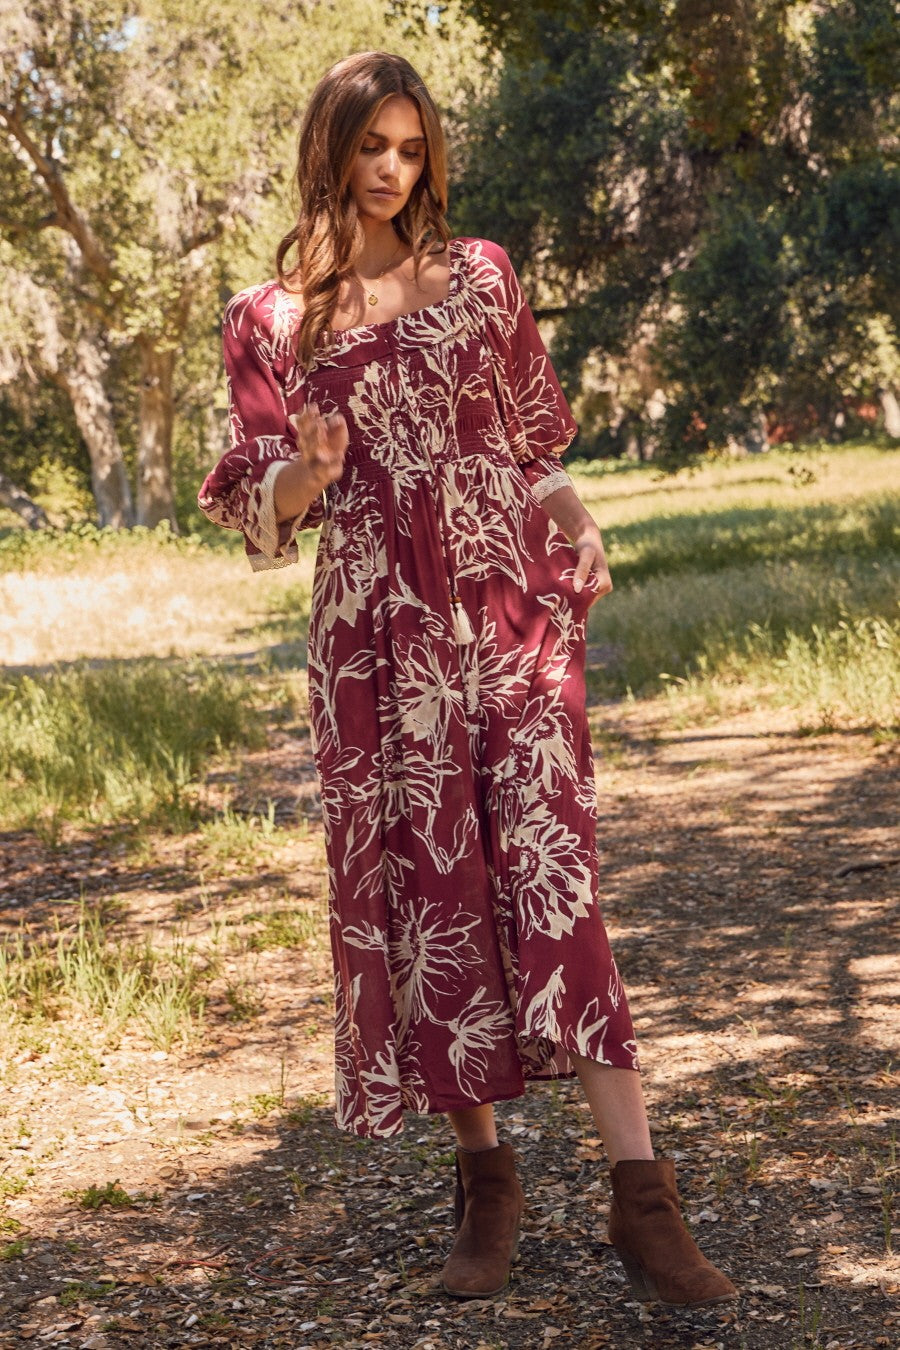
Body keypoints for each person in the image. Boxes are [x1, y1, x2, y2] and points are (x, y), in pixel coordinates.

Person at [198, 50, 737, 1309]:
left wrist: (578, 520)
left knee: (555, 880)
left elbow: (533, 438)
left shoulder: (483, 273)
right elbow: (261, 503)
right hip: (378, 637)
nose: (392, 170)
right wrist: (311, 468)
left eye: (411, 148)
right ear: (329, 149)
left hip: (506, 609)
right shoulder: (268, 318)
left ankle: (643, 1198)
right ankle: (486, 1182)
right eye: (370, 147)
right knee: (426, 898)